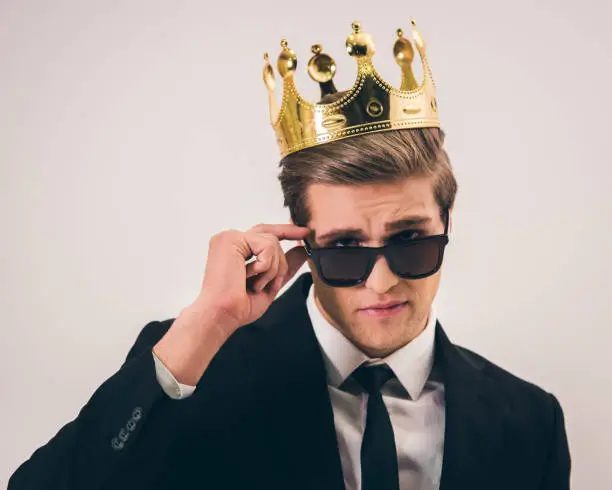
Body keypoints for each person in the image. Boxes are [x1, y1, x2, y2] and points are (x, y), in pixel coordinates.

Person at [9, 20, 571, 490]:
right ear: (301, 242)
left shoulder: (530, 422)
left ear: (447, 223)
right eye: (345, 248)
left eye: (410, 240)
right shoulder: (194, 371)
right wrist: (206, 324)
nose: (380, 282)